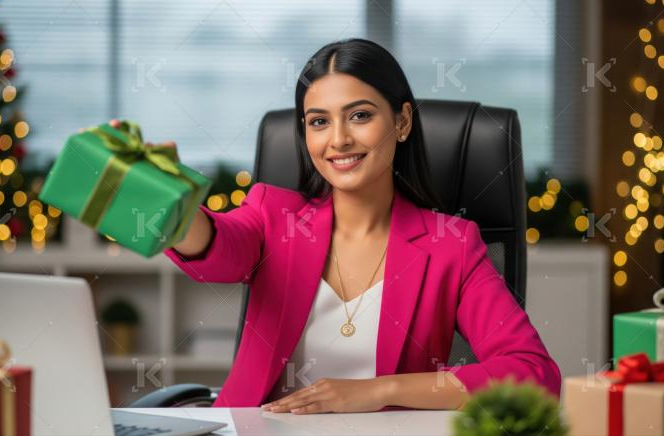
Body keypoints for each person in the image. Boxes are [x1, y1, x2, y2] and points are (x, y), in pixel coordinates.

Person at [164, 38, 561, 413]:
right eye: (319, 122)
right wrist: (174, 202)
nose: (338, 139)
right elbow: (215, 248)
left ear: (402, 121)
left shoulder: (451, 245)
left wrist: (378, 391)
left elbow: (534, 374)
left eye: (359, 116)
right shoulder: (273, 216)